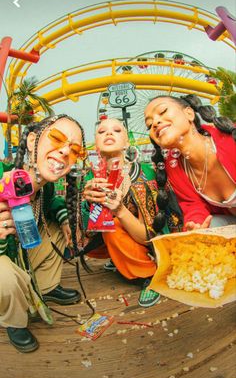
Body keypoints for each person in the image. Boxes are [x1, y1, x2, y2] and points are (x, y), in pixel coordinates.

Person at [0, 114, 87, 353]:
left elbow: (53, 202)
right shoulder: (3, 173)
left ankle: (46, 288)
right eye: (57, 138)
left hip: (21, 253)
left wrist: (66, 221)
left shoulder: (44, 187)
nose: (64, 152)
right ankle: (13, 319)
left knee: (57, 228)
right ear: (31, 141)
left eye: (75, 150)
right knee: (3, 276)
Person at [82, 118, 182, 307]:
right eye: (102, 132)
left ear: (127, 142)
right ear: (95, 143)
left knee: (114, 225)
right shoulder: (91, 178)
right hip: (115, 239)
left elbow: (151, 235)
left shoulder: (146, 174)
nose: (109, 133)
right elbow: (86, 234)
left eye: (117, 130)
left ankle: (151, 275)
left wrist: (119, 210)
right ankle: (120, 256)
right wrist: (88, 205)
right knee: (103, 226)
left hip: (156, 240)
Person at [144, 94, 236, 230]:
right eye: (149, 125)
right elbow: (192, 205)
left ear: (189, 113)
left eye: (163, 111)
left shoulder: (231, 141)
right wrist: (196, 224)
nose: (155, 123)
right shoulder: (174, 168)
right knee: (208, 229)